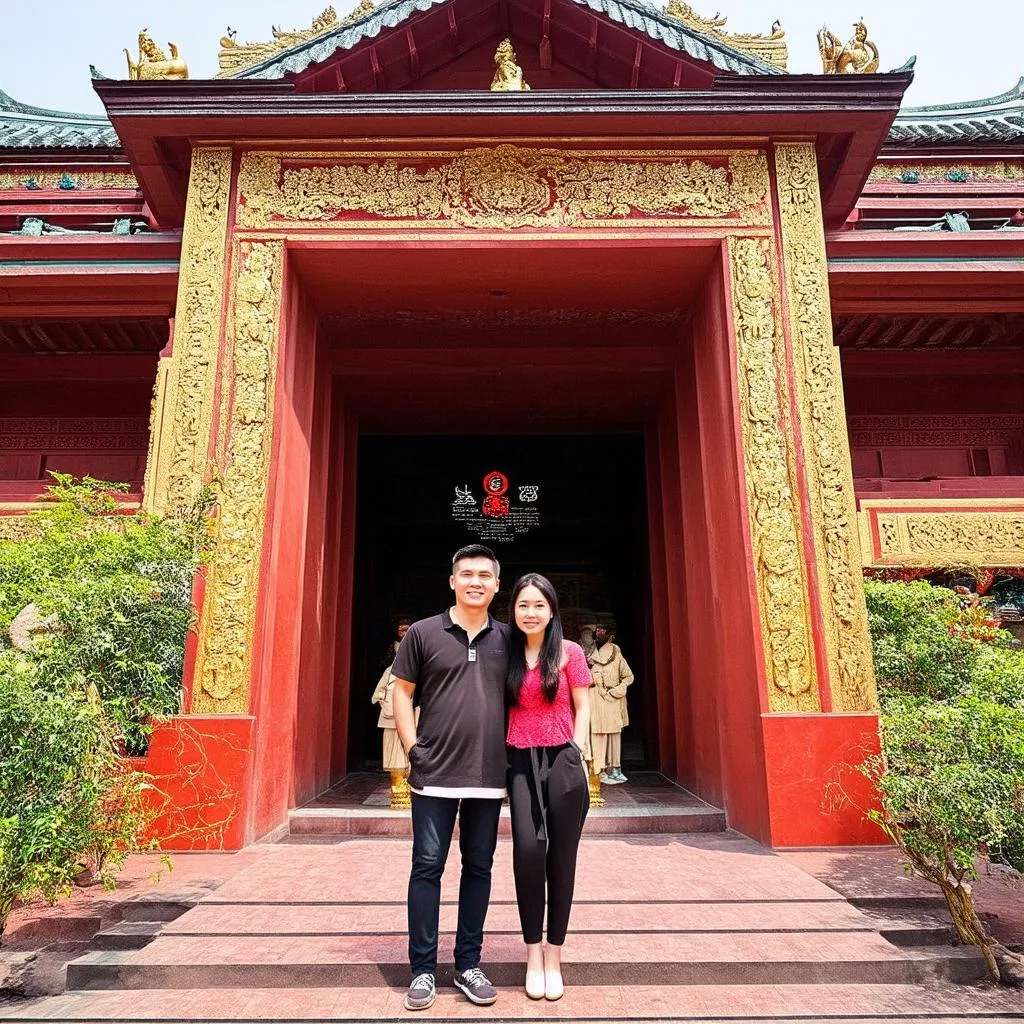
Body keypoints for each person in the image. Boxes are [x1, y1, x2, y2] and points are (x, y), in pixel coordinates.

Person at [391, 545, 509, 1012]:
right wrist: (412, 747)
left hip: (489, 774)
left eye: (485, 575)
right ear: (452, 581)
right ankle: (422, 970)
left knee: (479, 868)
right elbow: (402, 693)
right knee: (427, 867)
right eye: (467, 574)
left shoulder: (508, 638)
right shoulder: (423, 633)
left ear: (497, 585)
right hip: (434, 772)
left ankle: (468, 964)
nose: (475, 581)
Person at [506, 573, 592, 1001]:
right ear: (514, 610)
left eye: (539, 605)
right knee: (527, 852)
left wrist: (577, 749)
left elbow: (584, 704)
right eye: (523, 605)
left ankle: (553, 954)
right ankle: (531, 952)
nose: (531, 612)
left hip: (562, 760)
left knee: (561, 858)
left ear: (552, 610)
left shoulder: (571, 653)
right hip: (520, 761)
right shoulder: (506, 653)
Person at [584, 622, 634, 785]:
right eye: (597, 630)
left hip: (612, 700)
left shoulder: (616, 655)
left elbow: (628, 676)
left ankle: (615, 769)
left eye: (603, 630)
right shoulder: (588, 655)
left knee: (613, 734)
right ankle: (599, 769)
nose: (599, 633)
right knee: (597, 734)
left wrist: (618, 689)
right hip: (596, 699)